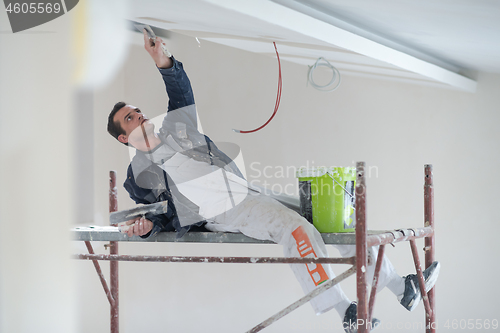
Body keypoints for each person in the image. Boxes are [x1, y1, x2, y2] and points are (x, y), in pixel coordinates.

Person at [106, 30, 440, 332]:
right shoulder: (140, 176)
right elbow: (159, 213)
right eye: (130, 118)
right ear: (124, 138)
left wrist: (163, 62)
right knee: (294, 230)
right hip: (223, 211)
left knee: (331, 218)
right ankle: (345, 311)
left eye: (138, 110)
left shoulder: (177, 131)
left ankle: (402, 288)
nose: (141, 116)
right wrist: (147, 228)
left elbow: (181, 94)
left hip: (245, 190)